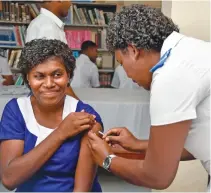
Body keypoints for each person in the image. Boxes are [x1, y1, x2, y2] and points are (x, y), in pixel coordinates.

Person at [87, 4, 210, 190]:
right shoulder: (192, 51)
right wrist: (138, 145)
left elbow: (158, 177)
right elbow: (203, 143)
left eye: (121, 63)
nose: (126, 74)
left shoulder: (170, 76)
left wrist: (107, 160)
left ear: (133, 50)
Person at [0, 39, 103, 192]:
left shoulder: (85, 116)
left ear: (68, 76)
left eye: (57, 74)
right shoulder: (17, 110)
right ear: (27, 77)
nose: (49, 83)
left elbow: (81, 190)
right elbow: (9, 179)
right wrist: (61, 132)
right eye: (39, 76)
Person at [25, 0, 78, 99]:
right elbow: (52, 72)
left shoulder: (46, 23)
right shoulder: (47, 27)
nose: (70, 4)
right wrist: (77, 104)